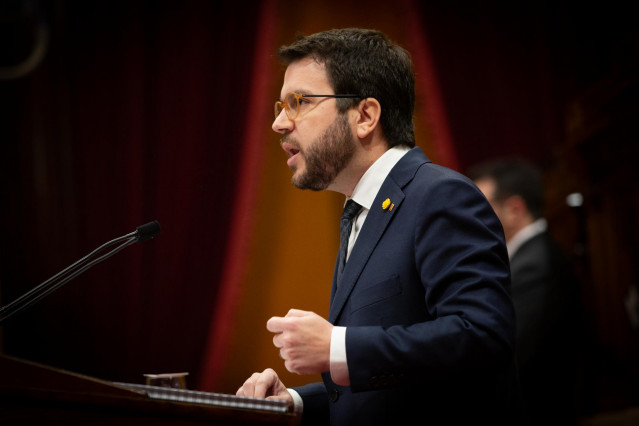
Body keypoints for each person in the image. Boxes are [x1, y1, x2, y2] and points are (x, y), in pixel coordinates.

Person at [236, 28, 523, 425]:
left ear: (365, 116)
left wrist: (339, 347)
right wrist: (297, 403)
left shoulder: (440, 195)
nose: (280, 123)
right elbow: (395, 385)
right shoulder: (360, 212)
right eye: (279, 106)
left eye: (297, 102)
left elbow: (482, 337)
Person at [468, 158, 582, 425]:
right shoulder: (525, 258)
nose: (470, 217)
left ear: (515, 209)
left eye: (478, 207)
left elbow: (509, 350)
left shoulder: (536, 264)